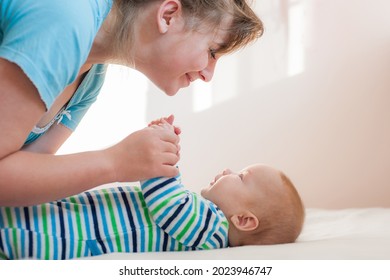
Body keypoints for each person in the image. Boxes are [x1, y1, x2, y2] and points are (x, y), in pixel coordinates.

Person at [0, 0, 264, 206]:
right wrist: (115, 162)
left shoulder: (91, 81)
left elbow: (21, 182)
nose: (208, 75)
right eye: (212, 52)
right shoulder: (65, 21)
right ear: (168, 15)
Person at [0, 119, 304, 260]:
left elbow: (167, 203)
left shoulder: (211, 232)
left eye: (240, 176)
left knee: (19, 227)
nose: (227, 171)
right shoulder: (206, 217)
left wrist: (161, 156)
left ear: (244, 220)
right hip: (78, 215)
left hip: (69, 236)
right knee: (33, 205)